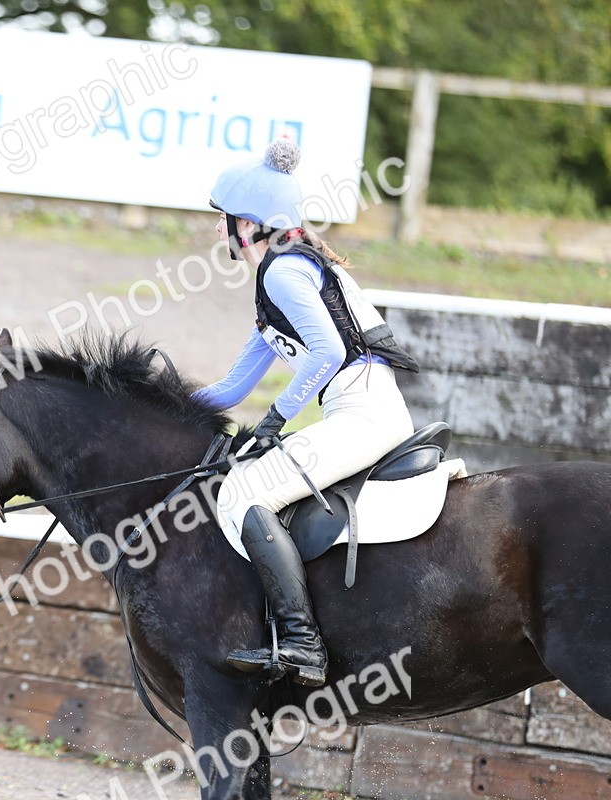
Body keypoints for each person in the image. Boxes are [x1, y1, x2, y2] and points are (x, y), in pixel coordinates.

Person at [193, 139, 420, 687]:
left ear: (245, 225)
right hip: (356, 410)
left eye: (222, 218)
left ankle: (302, 645)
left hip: (364, 413)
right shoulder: (279, 278)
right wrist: (159, 408)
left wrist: (275, 419)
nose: (215, 230)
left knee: (245, 493)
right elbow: (229, 388)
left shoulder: (281, 274)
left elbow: (330, 353)